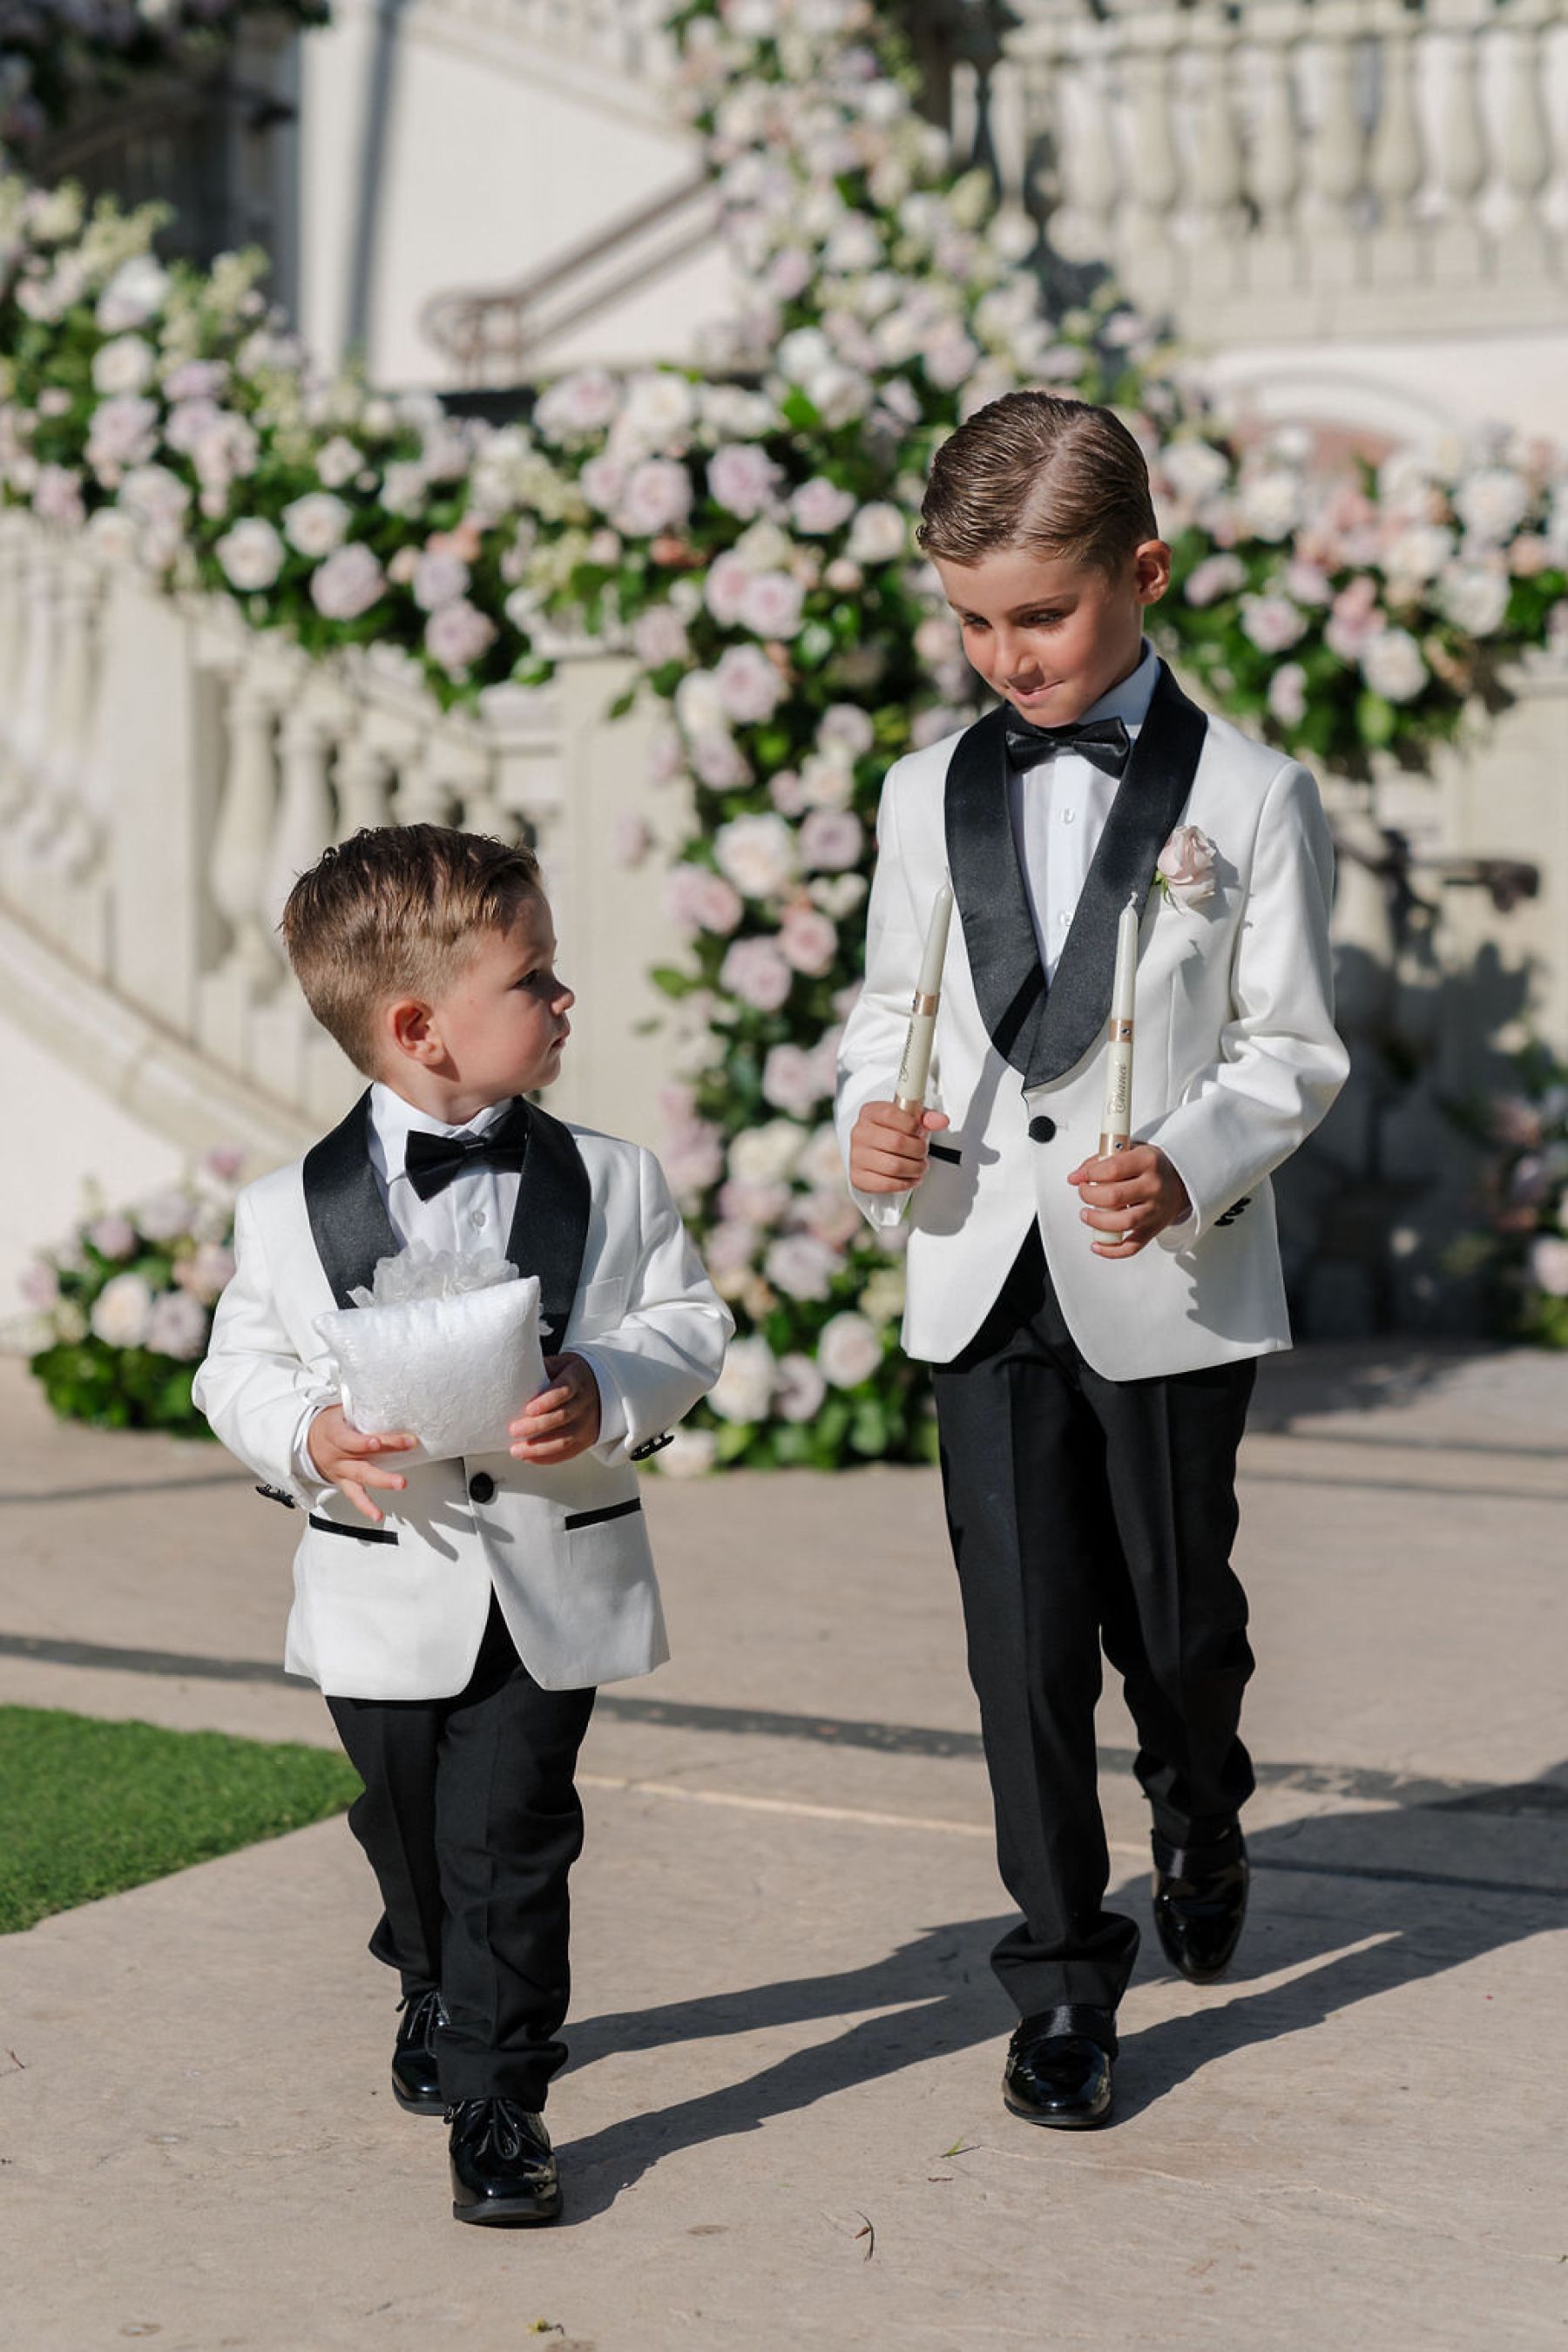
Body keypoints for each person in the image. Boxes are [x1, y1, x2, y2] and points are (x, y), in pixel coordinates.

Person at [836, 392, 1348, 2128]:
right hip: (979, 1262)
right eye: (974, 622)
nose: (1008, 657)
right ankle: (1062, 1974)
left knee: (1180, 1622)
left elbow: (1290, 1051)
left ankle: (1201, 1799)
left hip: (1165, 1277)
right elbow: (893, 1008)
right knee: (1023, 1644)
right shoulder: (925, 791)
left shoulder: (1255, 798)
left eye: (1040, 616)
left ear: (1143, 572)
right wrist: (870, 1132)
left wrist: (1191, 1162)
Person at [194, 823, 731, 2224]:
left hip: (548, 1577)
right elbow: (234, 1369)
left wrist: (607, 1387)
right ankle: (427, 1973)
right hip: (382, 1583)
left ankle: (503, 2099)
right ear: (420, 1025)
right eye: (535, 977)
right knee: (406, 1828)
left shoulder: (613, 1182)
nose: (566, 1000)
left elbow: (689, 1324)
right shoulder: (284, 1213)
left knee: (513, 1837)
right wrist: (304, 1437)